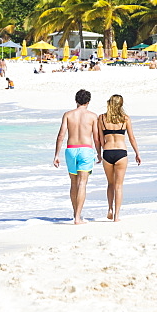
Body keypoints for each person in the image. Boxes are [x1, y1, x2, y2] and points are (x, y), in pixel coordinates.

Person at [52, 89, 100, 224]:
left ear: (76, 101)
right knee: (82, 183)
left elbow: (61, 135)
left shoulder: (68, 115)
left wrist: (56, 154)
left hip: (71, 150)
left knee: (73, 183)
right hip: (86, 150)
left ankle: (75, 214)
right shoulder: (92, 116)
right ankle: (78, 217)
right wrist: (99, 153)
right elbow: (96, 137)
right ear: (88, 102)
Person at [97, 94, 142, 222]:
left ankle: (110, 208)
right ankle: (116, 216)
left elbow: (100, 139)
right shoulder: (125, 119)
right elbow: (132, 138)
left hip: (107, 152)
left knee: (110, 183)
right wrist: (137, 153)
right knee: (119, 185)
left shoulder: (101, 118)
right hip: (121, 153)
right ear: (121, 104)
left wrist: (99, 154)